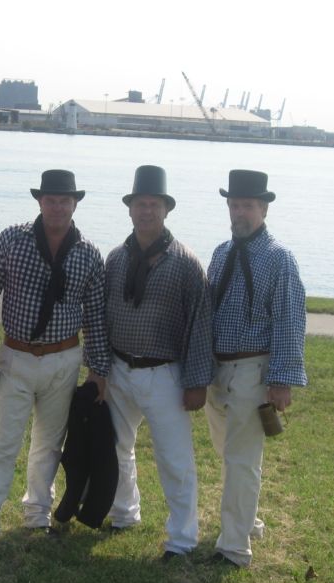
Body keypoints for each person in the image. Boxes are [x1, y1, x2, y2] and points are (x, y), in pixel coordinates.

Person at [0, 169, 110, 550]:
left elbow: (96, 316)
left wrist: (98, 369)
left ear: (75, 204)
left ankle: (37, 513)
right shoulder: (12, 239)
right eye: (50, 200)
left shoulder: (89, 253)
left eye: (64, 200)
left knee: (49, 444)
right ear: (40, 201)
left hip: (64, 358)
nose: (57, 207)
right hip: (16, 356)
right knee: (2, 444)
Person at [104, 165, 213, 561]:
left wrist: (196, 382)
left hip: (165, 373)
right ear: (130, 209)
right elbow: (101, 315)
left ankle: (182, 538)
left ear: (166, 210)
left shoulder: (185, 263)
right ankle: (124, 512)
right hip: (119, 368)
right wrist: (99, 368)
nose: (146, 211)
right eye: (140, 204)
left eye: (154, 204)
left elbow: (200, 324)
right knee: (118, 448)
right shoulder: (116, 258)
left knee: (174, 459)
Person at [204, 169, 307, 568]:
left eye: (247, 206)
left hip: (253, 369)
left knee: (240, 460)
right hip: (217, 370)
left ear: (263, 209)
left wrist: (281, 380)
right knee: (229, 453)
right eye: (234, 205)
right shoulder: (220, 253)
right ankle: (249, 523)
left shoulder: (279, 258)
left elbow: (290, 321)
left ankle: (233, 548)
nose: (239, 213)